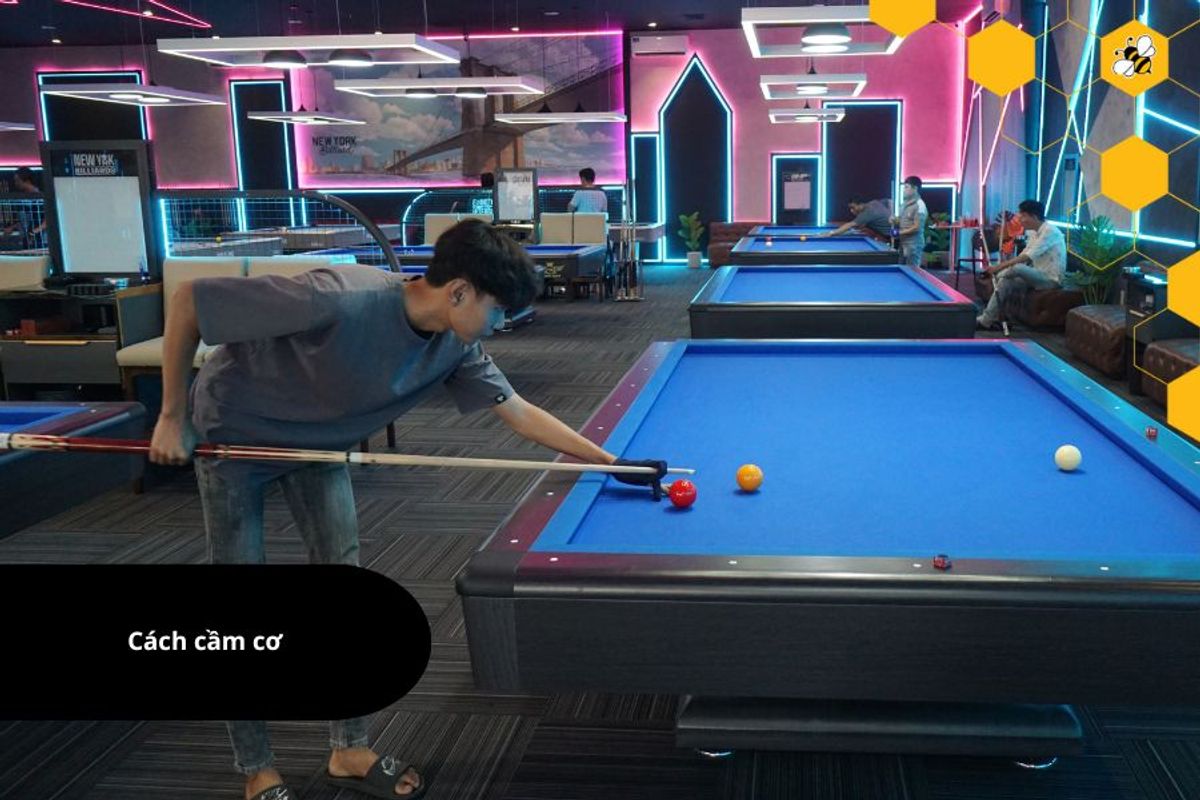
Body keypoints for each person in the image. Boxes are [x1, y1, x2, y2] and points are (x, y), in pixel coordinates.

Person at [148, 219, 669, 800]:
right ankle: (257, 768)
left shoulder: (455, 345)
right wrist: (172, 416)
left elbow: (519, 412)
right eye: (498, 310)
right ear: (460, 292)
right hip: (236, 438)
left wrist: (610, 463)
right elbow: (189, 301)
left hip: (319, 447)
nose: (501, 324)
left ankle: (348, 747)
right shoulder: (338, 296)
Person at [976, 199, 1065, 330]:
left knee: (1017, 268)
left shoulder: (1050, 232)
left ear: (1034, 216)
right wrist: (1001, 269)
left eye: (1023, 216)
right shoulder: (1033, 232)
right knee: (1005, 281)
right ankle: (986, 320)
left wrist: (997, 268)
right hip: (1035, 275)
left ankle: (997, 275)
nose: (1020, 219)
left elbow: (1026, 257)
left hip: (1050, 279)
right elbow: (1024, 254)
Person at [3, 167, 47, 246]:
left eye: (17, 180)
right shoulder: (23, 200)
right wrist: (13, 227)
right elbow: (26, 220)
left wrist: (32, 232)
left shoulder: (42, 198)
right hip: (29, 242)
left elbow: (48, 221)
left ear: (27, 181)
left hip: (42, 242)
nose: (16, 183)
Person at [892, 176, 928, 268]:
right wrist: (894, 220)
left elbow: (917, 227)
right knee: (901, 269)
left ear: (915, 188)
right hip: (903, 242)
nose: (904, 190)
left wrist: (899, 232)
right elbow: (901, 220)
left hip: (913, 244)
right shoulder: (904, 204)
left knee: (913, 270)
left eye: (906, 187)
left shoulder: (920, 205)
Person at [822, 197, 894, 239]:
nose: (851, 210)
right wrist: (892, 213)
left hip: (892, 237)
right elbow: (889, 201)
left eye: (853, 207)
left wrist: (831, 233)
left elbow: (850, 225)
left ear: (861, 204)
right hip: (894, 231)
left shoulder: (866, 214)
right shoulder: (874, 203)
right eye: (850, 208)